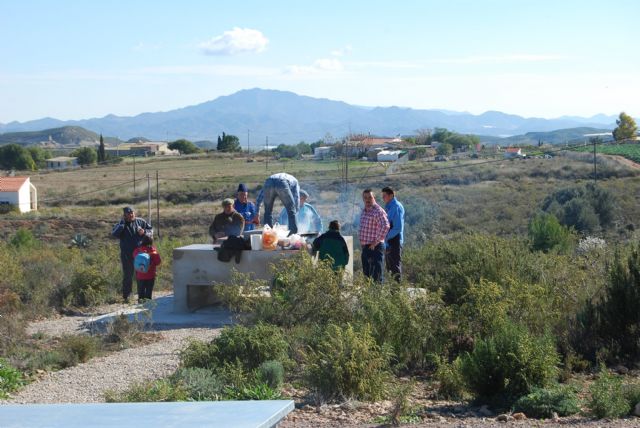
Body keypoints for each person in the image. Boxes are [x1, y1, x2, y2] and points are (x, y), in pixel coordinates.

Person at [111, 206, 153, 302]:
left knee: (141, 275)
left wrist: (144, 232)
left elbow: (150, 231)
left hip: (140, 255)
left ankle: (142, 297)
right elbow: (114, 234)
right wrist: (122, 225)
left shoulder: (140, 221)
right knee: (128, 276)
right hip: (127, 255)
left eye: (132, 214)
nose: (131, 216)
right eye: (128, 214)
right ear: (124, 215)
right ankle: (127, 297)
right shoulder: (121, 224)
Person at [358, 189, 390, 283]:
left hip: (376, 247)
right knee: (367, 275)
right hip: (366, 247)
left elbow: (386, 226)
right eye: (365, 198)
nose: (367, 200)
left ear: (374, 198)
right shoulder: (364, 211)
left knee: (377, 275)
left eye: (370, 197)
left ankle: (377, 296)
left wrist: (376, 242)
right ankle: (369, 296)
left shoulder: (378, 211)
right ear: (363, 199)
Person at [381, 186, 405, 282]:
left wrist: (386, 236)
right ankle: (393, 292)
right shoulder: (389, 207)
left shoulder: (396, 207)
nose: (383, 198)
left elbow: (397, 227)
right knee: (390, 268)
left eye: (384, 196)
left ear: (391, 195)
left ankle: (396, 292)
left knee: (394, 267)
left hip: (394, 241)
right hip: (389, 241)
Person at [132, 235, 161, 303]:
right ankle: (147, 307)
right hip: (150, 275)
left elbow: (134, 257)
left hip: (140, 274)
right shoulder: (153, 252)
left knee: (140, 291)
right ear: (151, 242)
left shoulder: (137, 250)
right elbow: (158, 262)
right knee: (148, 292)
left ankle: (140, 303)